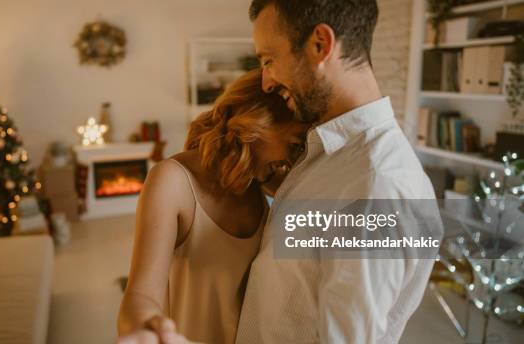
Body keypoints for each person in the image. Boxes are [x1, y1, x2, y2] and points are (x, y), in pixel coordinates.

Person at [127, 1, 442, 343]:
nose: (264, 82)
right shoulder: (322, 152)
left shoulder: (378, 185)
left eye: (268, 60)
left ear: (320, 44)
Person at [117, 69, 309, 344]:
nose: (294, 160)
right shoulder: (172, 181)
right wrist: (146, 330)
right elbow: (141, 294)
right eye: (294, 145)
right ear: (258, 122)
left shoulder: (259, 181)